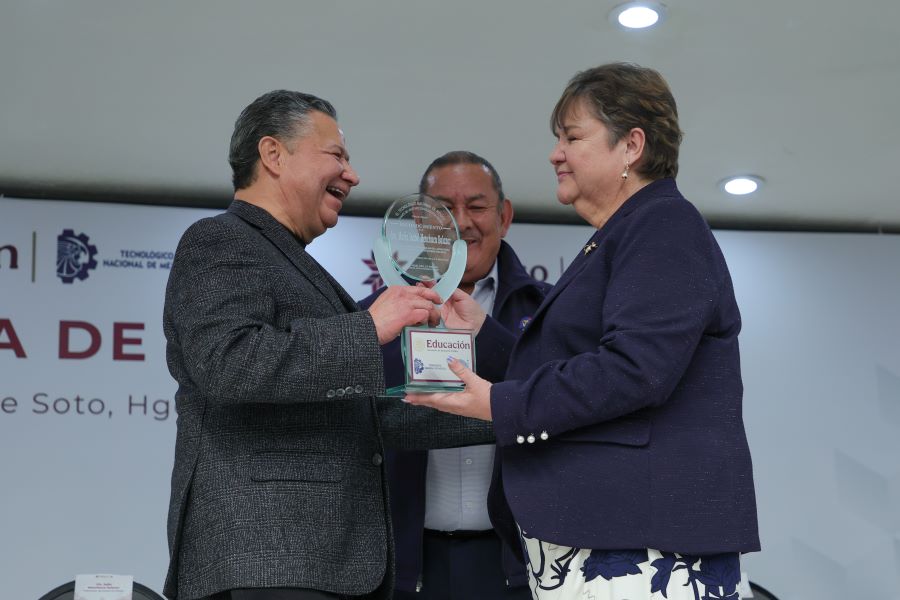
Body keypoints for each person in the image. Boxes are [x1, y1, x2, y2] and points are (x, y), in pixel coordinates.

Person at [405, 63, 760, 600]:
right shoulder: (621, 234)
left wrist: (498, 405)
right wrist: (483, 333)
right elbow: (576, 361)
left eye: (572, 137)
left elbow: (635, 370)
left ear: (631, 146)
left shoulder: (662, 225)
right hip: (607, 541)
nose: (555, 154)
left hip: (645, 548)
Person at [162, 90, 494, 600]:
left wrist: (511, 407)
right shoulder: (219, 239)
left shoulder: (294, 263)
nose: (353, 174)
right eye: (337, 155)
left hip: (321, 566)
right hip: (266, 561)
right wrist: (370, 327)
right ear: (274, 155)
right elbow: (228, 363)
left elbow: (363, 416)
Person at [359, 151, 549, 600]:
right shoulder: (374, 318)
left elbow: (556, 401)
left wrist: (491, 338)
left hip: (517, 567)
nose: (460, 223)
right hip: (409, 567)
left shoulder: (547, 309)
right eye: (442, 210)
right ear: (419, 223)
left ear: (504, 216)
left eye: (477, 207)